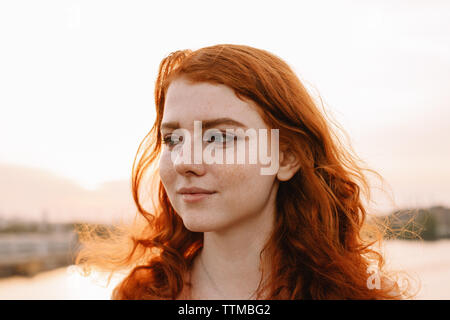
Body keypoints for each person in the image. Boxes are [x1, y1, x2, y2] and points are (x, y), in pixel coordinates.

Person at [76, 44, 415, 299]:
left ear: (285, 157)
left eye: (219, 137)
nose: (184, 161)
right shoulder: (141, 295)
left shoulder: (357, 294)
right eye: (173, 138)